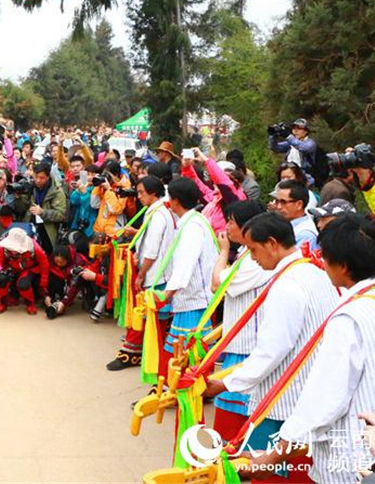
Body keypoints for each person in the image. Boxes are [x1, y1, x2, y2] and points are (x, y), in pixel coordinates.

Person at [247, 214, 375, 483]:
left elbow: (325, 399)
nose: (322, 263)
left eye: (326, 257)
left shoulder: (351, 317)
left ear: (343, 266)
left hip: (353, 457)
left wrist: (275, 455)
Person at [205, 213, 338, 453]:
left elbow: (271, 350)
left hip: (283, 400)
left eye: (253, 250)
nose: (252, 258)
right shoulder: (316, 272)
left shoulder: (287, 285)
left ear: (272, 244)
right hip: (311, 393)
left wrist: (224, 384)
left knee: (265, 465)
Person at [207, 200, 269, 440]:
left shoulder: (253, 262)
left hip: (247, 348)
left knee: (235, 414)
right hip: (239, 343)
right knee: (231, 411)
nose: (227, 227)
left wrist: (223, 251)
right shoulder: (246, 254)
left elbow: (216, 285)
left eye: (231, 222)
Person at [107, 175, 176, 371]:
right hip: (156, 273)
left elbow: (152, 251)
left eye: (141, 192)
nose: (138, 196)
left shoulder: (158, 215)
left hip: (155, 275)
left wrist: (140, 274)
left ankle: (147, 359)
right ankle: (148, 357)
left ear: (153, 192)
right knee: (153, 320)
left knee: (152, 320)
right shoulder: (157, 211)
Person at [157, 178, 219, 374]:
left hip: (193, 299)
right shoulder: (195, 220)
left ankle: (178, 386)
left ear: (176, 201)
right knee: (191, 347)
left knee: (184, 350)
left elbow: (185, 264)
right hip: (195, 297)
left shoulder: (192, 227)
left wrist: (166, 294)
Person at [0, 227, 49, 315]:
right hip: (11, 267)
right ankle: (3, 302)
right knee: (1, 280)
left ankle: (30, 303)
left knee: (23, 284)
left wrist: (43, 284)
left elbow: (44, 264)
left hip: (29, 269)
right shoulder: (4, 248)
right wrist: (0, 271)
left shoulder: (35, 248)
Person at [45, 243, 102, 319]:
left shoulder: (79, 262)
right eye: (57, 262)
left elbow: (74, 285)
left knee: (84, 281)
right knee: (52, 276)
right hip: (65, 277)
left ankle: (90, 298)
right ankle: (55, 297)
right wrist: (46, 295)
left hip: (85, 278)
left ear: (67, 259)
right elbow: (45, 277)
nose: (58, 264)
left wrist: (64, 303)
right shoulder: (52, 259)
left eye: (61, 262)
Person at [27, 162, 68, 255]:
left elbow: (60, 215)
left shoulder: (57, 191)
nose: (38, 180)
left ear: (48, 177)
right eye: (36, 177)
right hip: (32, 226)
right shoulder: (31, 186)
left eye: (41, 178)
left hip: (48, 229)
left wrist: (42, 212)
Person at [270, 179, 320, 251]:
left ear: (299, 204)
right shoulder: (287, 225)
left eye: (283, 202)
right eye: (277, 201)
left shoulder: (305, 235)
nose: (279, 207)